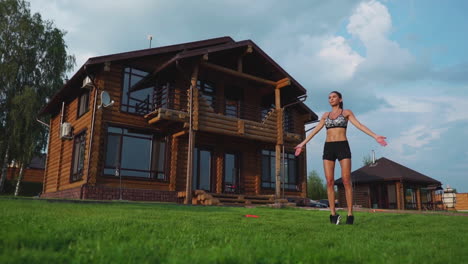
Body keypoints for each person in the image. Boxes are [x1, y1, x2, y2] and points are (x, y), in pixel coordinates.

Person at [294, 91, 387, 225]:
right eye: (329, 98)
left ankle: (350, 214)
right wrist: (302, 144)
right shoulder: (325, 115)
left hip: (343, 147)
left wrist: (375, 135)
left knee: (346, 180)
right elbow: (315, 131)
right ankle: (333, 215)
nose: (331, 99)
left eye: (334, 97)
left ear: (340, 99)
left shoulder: (346, 113)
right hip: (328, 148)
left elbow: (360, 125)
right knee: (330, 181)